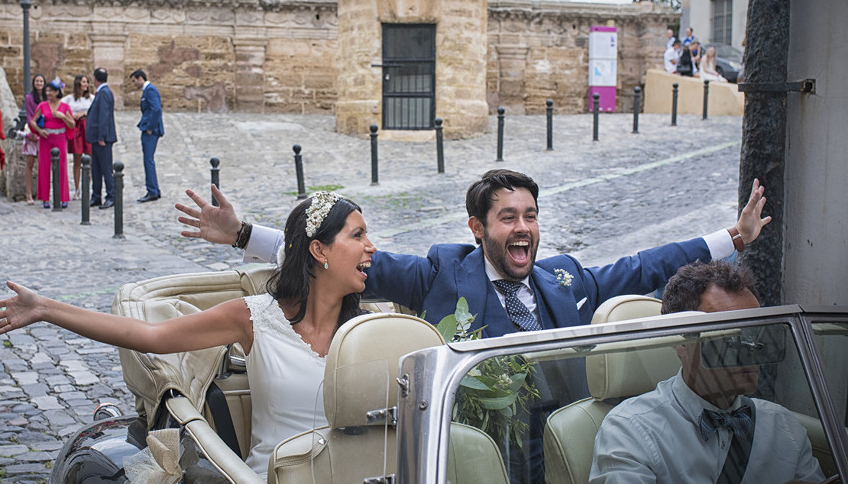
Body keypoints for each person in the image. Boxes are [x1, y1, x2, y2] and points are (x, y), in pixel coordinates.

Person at [0, 191, 375, 478]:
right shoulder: (255, 317)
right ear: (319, 251)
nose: (371, 248)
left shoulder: (371, 331)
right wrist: (46, 309)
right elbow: (149, 336)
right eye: (358, 236)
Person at [182, 169, 771, 337]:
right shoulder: (440, 273)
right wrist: (242, 234)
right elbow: (337, 257)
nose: (523, 229)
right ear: (477, 228)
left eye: (530, 216)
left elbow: (646, 265)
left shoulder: (568, 278)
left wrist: (735, 237)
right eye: (508, 217)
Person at [590, 261, 843, 484]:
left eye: (756, 333)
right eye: (727, 335)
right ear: (681, 341)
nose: (750, 349)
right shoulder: (629, 430)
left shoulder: (783, 425)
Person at [29, 77, 75, 209]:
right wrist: (39, 131)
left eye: (51, 91)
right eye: (47, 91)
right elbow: (32, 121)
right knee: (44, 167)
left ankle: (63, 197)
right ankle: (45, 198)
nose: (48, 93)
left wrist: (63, 117)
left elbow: (72, 124)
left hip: (60, 138)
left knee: (62, 167)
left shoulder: (65, 106)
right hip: (46, 138)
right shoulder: (42, 105)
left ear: (57, 92)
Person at [85, 67, 116, 209]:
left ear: (94, 78)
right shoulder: (103, 92)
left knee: (105, 167)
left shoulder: (104, 93)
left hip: (102, 138)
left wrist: (101, 136)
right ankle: (96, 195)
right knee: (96, 168)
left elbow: (104, 115)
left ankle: (111, 195)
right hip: (96, 137)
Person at [131, 69, 163, 202]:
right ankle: (154, 189)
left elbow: (156, 109)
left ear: (140, 78)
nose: (133, 84)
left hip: (151, 131)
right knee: (148, 159)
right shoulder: (147, 90)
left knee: (148, 160)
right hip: (148, 128)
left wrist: (150, 127)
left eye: (134, 81)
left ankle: (152, 191)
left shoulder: (150, 90)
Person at [65, 74, 94, 201]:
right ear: (78, 83)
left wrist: (83, 113)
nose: (86, 84)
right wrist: (71, 115)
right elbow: (62, 108)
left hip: (87, 128)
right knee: (77, 160)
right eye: (83, 82)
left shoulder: (91, 98)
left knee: (90, 159)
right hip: (76, 129)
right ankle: (77, 189)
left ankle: (87, 186)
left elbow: (94, 111)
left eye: (87, 82)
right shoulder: (69, 99)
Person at [20, 74, 46, 204]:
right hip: (33, 132)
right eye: (37, 81)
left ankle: (43, 192)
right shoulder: (29, 98)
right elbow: (30, 116)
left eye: (41, 81)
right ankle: (28, 193)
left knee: (43, 165)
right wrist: (35, 131)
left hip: (44, 133)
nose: (39, 83)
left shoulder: (47, 97)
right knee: (30, 164)